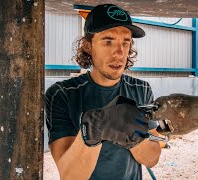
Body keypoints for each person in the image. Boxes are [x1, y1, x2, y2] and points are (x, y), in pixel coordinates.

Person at [45, 4, 161, 180]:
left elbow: (152, 159)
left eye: (126, 42)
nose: (120, 53)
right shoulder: (62, 94)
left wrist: (130, 133)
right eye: (108, 41)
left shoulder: (141, 90)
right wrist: (94, 131)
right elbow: (70, 176)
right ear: (88, 46)